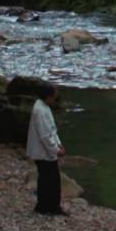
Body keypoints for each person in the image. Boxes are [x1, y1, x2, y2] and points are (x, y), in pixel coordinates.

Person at [26, 83, 68, 215]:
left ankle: (44, 206)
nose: (55, 99)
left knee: (46, 179)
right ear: (48, 96)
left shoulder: (42, 106)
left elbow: (51, 130)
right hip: (43, 152)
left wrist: (58, 143)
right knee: (51, 181)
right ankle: (50, 207)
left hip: (44, 150)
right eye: (54, 96)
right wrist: (56, 150)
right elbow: (45, 135)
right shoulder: (41, 111)